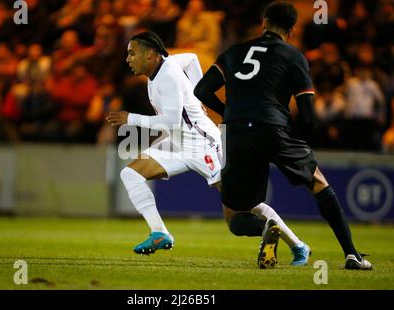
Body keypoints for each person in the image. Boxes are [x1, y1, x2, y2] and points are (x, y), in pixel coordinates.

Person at [107, 31, 310, 268]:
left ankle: (298, 245)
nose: (127, 59)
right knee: (131, 173)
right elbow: (192, 59)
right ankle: (159, 233)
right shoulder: (168, 64)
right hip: (177, 143)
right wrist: (196, 95)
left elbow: (171, 121)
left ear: (150, 55)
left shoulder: (168, 75)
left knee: (245, 206)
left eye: (132, 53)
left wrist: (130, 118)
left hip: (203, 144)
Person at [194, 1, 372, 270]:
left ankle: (269, 225)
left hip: (238, 132)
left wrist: (229, 112)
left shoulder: (234, 52)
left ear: (263, 22)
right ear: (292, 28)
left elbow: (202, 90)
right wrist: (293, 140)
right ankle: (351, 255)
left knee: (235, 218)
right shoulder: (293, 56)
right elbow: (309, 116)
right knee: (318, 183)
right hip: (273, 128)